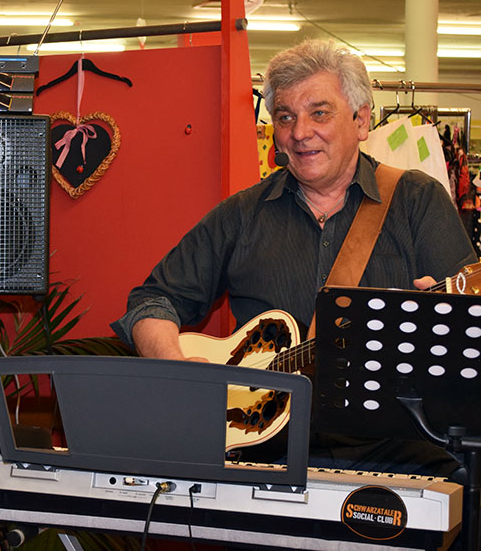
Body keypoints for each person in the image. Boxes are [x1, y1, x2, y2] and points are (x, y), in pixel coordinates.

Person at [111, 39, 477, 477]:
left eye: (319, 113)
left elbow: (468, 336)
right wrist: (177, 369)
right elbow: (151, 302)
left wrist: (448, 320)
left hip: (390, 447)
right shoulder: (241, 214)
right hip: (258, 453)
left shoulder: (417, 201)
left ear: (362, 120)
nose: (300, 132)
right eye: (285, 116)